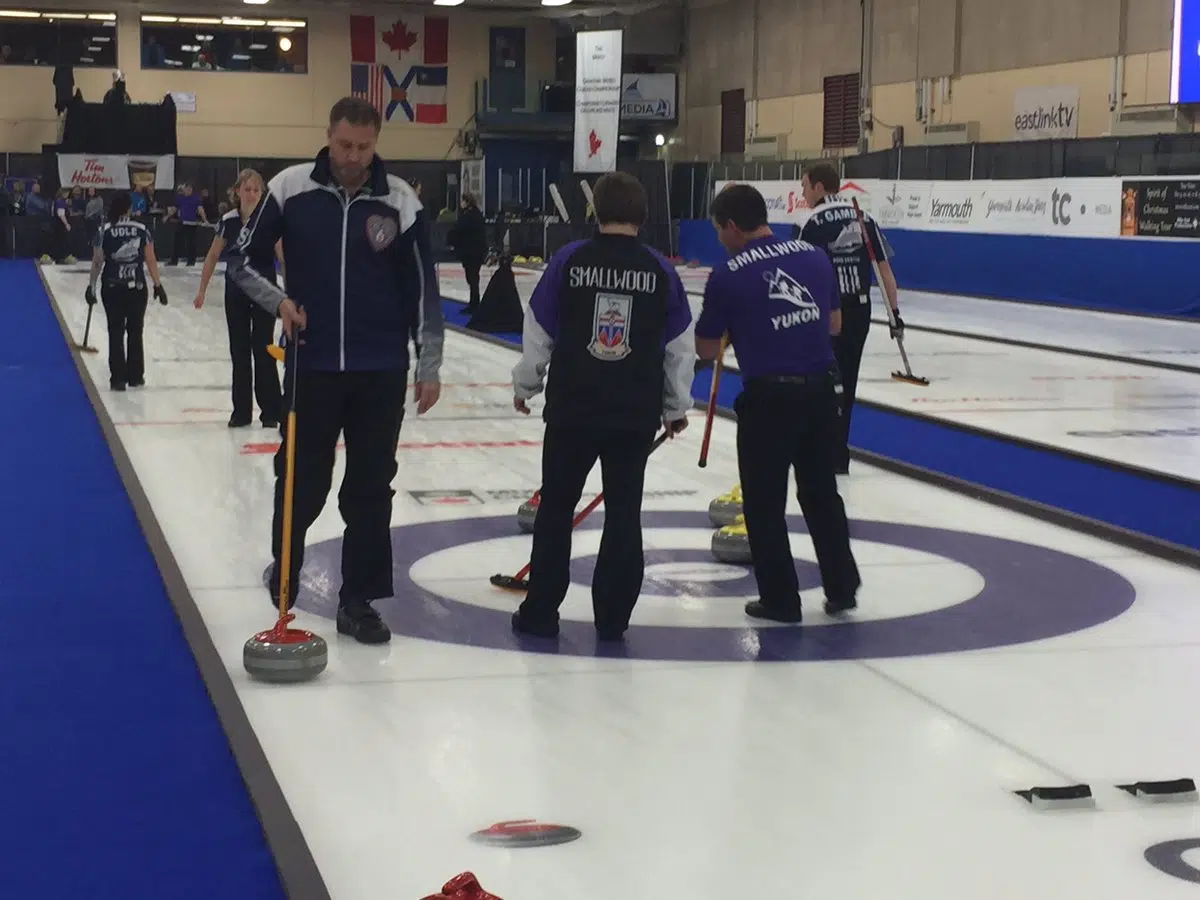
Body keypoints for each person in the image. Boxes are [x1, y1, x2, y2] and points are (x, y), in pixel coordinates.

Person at [227, 96, 445, 645]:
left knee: (371, 489)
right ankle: (286, 574)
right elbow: (243, 263)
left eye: (364, 147)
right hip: (312, 365)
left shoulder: (400, 201)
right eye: (344, 145)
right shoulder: (290, 188)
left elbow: (424, 288)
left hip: (381, 370)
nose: (352, 157)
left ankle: (359, 601)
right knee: (300, 479)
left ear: (376, 143)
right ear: (328, 135)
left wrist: (430, 363)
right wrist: (279, 302)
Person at [510, 171, 694, 641]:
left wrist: (526, 384)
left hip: (573, 408)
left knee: (556, 509)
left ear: (596, 212)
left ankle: (541, 612)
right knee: (623, 514)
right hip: (633, 413)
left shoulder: (569, 261)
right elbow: (679, 347)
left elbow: (539, 330)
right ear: (643, 216)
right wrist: (675, 406)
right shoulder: (661, 271)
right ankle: (613, 618)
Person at [696, 183, 859, 624]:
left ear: (732, 226)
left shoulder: (728, 274)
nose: (718, 239)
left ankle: (782, 599)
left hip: (769, 399)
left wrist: (739, 330)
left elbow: (708, 349)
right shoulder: (813, 256)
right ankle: (842, 586)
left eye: (718, 230)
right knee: (822, 493)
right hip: (821, 392)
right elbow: (835, 324)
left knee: (765, 502)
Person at [796, 164, 903, 473]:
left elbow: (803, 271)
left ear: (819, 187)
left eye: (805, 186)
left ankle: (819, 450)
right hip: (859, 309)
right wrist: (894, 314)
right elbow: (885, 273)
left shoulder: (811, 221)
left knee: (822, 381)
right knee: (849, 380)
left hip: (827, 312)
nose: (803, 193)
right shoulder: (864, 218)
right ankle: (838, 452)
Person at [193, 168, 284, 429]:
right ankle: (241, 412)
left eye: (257, 189)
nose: (252, 194)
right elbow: (212, 256)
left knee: (264, 350)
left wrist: (291, 292)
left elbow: (283, 256)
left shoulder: (270, 220)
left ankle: (271, 410)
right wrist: (202, 290)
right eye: (247, 189)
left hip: (265, 293)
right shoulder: (229, 221)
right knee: (240, 352)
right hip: (236, 293)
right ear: (237, 192)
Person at [87, 191, 168, 391]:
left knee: (115, 331)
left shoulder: (104, 230)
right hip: (136, 287)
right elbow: (150, 259)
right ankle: (135, 376)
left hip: (112, 286)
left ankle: (118, 379)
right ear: (129, 208)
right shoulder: (142, 229)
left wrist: (91, 286)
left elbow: (98, 261)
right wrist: (158, 284)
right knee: (135, 330)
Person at [446, 191, 487, 310]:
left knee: (472, 277)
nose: (461, 203)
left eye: (463, 201)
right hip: (474, 252)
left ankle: (474, 303)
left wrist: (452, 239)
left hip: (472, 252)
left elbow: (460, 230)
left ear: (467, 202)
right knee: (472, 277)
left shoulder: (470, 216)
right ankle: (474, 301)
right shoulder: (474, 214)